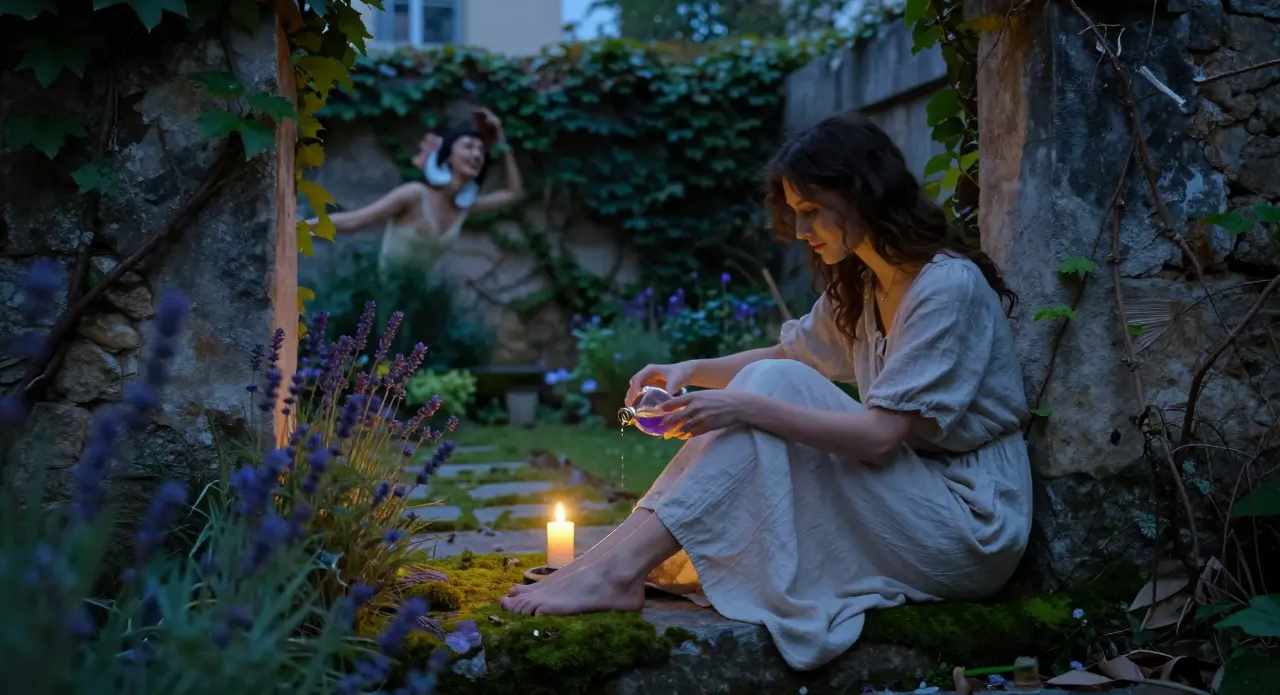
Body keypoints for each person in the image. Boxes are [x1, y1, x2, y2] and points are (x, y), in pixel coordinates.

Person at [499, 111, 1034, 672]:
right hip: (909, 491)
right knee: (772, 380)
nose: (801, 232)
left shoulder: (946, 287)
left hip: (969, 524)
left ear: (861, 195)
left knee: (767, 392)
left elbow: (878, 438)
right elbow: (789, 356)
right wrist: (689, 369)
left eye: (809, 212)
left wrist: (743, 407)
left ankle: (615, 570)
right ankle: (608, 565)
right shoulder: (865, 281)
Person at [307, 106, 524, 273]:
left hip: (419, 307)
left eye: (481, 151)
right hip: (383, 301)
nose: (477, 155)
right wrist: (301, 228)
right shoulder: (414, 194)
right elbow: (357, 220)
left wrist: (501, 140)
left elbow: (513, 193)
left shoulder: (463, 206)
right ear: (448, 156)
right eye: (468, 146)